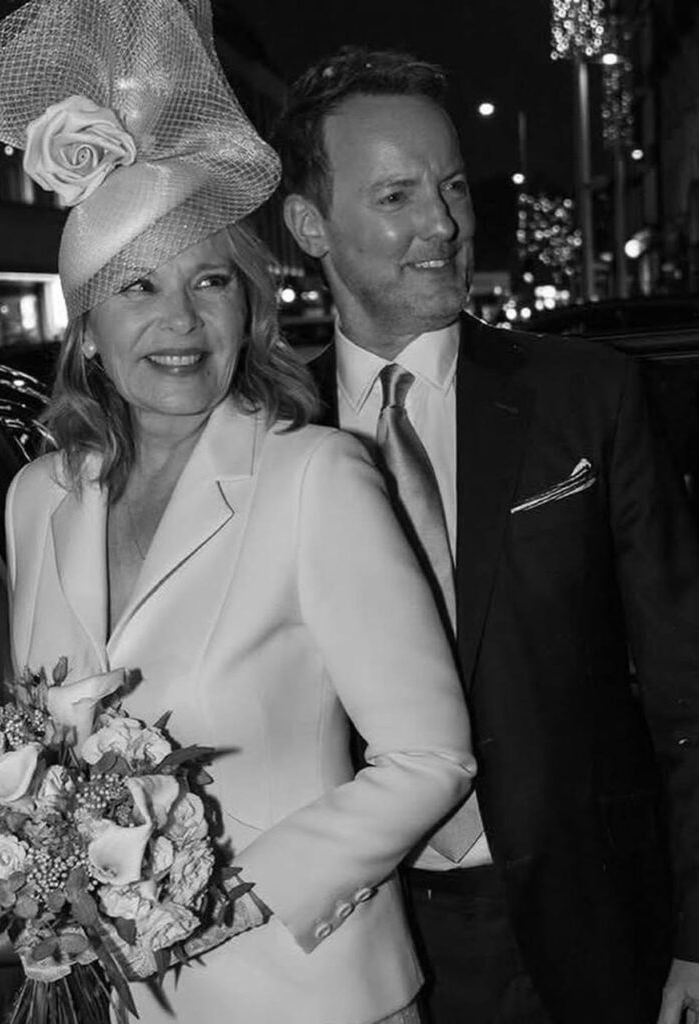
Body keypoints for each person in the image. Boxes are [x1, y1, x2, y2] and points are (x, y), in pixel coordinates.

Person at [0, 6, 475, 1024]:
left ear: (247, 307)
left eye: (211, 281)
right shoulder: (37, 496)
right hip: (122, 1003)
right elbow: (44, 745)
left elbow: (429, 759)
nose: (179, 321)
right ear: (88, 327)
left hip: (312, 994)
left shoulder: (316, 477)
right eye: (138, 286)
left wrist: (216, 899)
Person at [275, 46, 699, 1024]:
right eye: (396, 196)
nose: (444, 223)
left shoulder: (588, 396)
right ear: (309, 225)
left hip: (588, 920)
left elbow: (687, 682)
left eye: (454, 186)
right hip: (353, 937)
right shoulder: (268, 432)